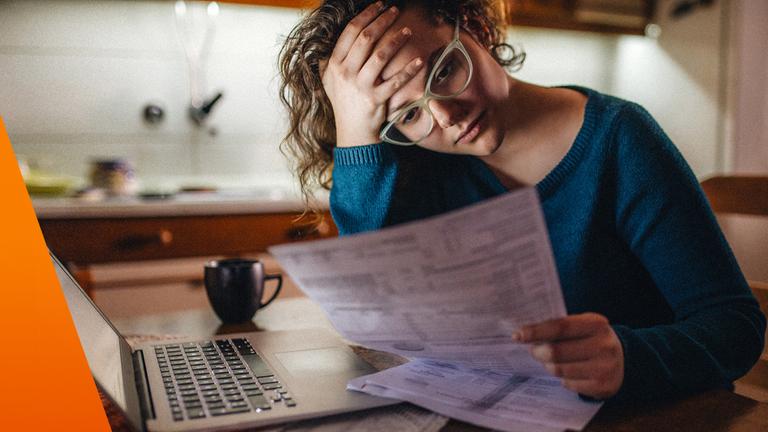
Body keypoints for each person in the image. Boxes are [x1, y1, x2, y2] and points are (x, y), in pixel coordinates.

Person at [278, 0, 765, 402]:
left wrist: (629, 358)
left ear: (475, 27)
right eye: (407, 115)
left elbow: (735, 327)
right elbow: (375, 319)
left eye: (444, 70)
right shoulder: (418, 169)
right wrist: (356, 135)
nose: (446, 119)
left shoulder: (620, 139)